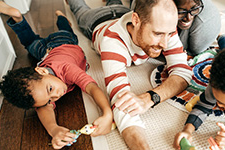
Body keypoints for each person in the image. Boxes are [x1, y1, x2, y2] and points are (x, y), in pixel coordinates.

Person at [66, 0, 192, 149]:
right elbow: (120, 101)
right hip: (96, 19)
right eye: (158, 34)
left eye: (170, 33)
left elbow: (183, 72)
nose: (165, 43)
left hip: (122, 11)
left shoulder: (164, 25)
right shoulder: (111, 41)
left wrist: (150, 97)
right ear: (136, 21)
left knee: (115, 2)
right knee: (79, 8)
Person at [0, 1, 113, 149]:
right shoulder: (43, 85)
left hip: (63, 42)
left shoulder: (67, 69)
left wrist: (107, 113)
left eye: (50, 90)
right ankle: (18, 18)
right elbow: (44, 108)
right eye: (50, 98)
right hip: (46, 54)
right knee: (31, 43)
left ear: (42, 71)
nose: (56, 96)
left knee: (66, 30)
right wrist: (54, 129)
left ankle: (61, 17)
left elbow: (92, 87)